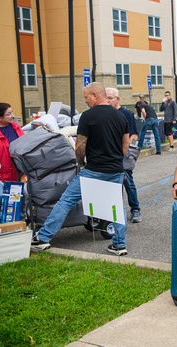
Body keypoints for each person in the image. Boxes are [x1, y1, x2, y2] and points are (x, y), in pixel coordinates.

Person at [32, 82, 129, 255]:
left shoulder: (88, 116)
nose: (85, 101)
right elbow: (126, 144)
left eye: (86, 97)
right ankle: (119, 245)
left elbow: (80, 146)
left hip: (94, 169)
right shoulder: (121, 116)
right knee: (116, 206)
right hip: (116, 169)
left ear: (95, 95)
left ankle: (43, 238)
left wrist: (79, 163)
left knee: (66, 200)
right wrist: (116, 160)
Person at [106, 88, 141, 223]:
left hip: (123, 155)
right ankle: (114, 212)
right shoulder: (106, 114)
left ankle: (135, 209)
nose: (108, 100)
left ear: (117, 99)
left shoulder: (126, 113)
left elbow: (133, 134)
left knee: (128, 183)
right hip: (109, 156)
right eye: (106, 98)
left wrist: (126, 152)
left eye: (111, 98)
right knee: (112, 186)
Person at [0, 103, 24, 182]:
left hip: (19, 169)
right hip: (2, 173)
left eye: (12, 113)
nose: (13, 116)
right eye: (9, 114)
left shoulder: (16, 126)